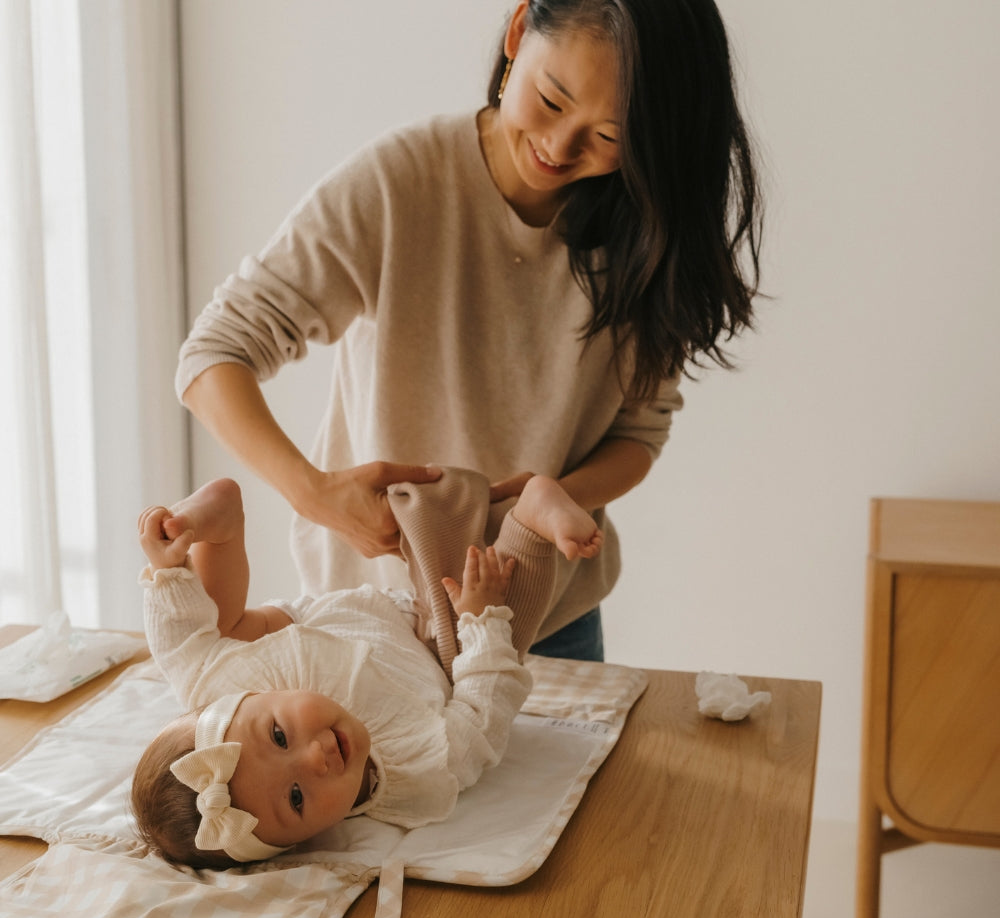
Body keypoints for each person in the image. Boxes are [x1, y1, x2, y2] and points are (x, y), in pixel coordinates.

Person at [175, 0, 762, 662]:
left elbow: (639, 434)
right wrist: (314, 494)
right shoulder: (400, 185)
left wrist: (548, 507)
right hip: (374, 615)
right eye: (551, 98)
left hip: (544, 620)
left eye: (608, 137)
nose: (561, 147)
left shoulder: (649, 235)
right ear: (518, 33)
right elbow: (213, 354)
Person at [131, 469, 604, 870]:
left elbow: (180, 643)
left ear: (243, 704)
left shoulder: (221, 686)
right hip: (435, 655)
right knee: (489, 613)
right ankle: (530, 523)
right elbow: (486, 708)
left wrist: (168, 564)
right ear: (301, 844)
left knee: (206, 644)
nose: (315, 759)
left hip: (327, 627)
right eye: (296, 798)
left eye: (278, 736)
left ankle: (218, 527)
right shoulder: (421, 774)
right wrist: (482, 618)